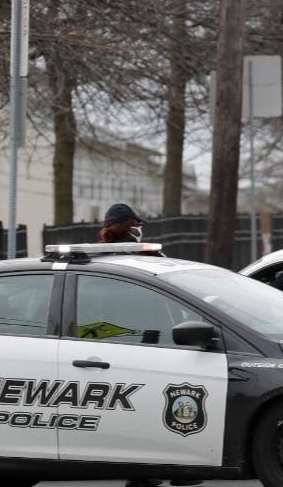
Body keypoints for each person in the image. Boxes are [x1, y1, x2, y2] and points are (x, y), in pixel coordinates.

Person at [99, 206, 201, 487]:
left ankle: (143, 472)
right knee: (164, 407)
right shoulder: (141, 255)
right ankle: (175, 470)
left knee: (133, 410)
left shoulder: (100, 257)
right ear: (127, 226)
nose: (139, 229)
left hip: (113, 344)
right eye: (135, 224)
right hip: (150, 341)